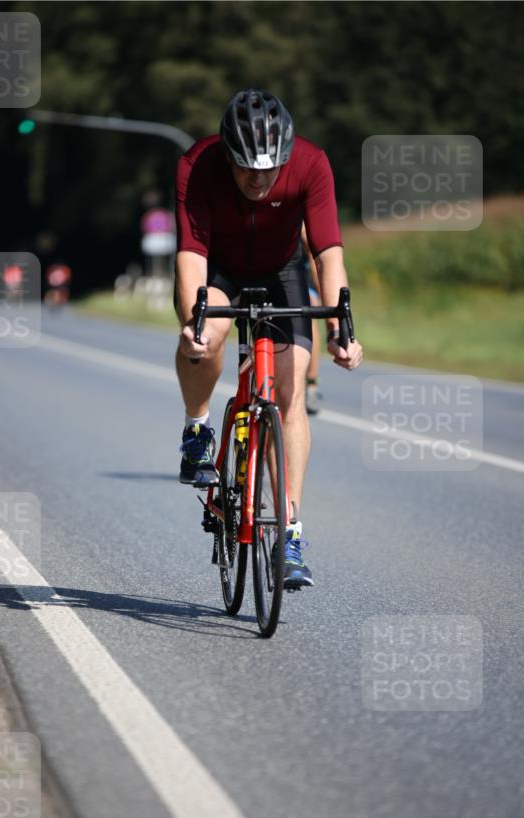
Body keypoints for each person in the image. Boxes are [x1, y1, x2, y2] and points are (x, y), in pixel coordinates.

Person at [174, 89, 363, 589]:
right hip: (220, 267)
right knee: (206, 336)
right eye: (246, 169)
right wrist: (193, 323)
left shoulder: (311, 163)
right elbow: (190, 254)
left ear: (286, 154)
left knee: (289, 392)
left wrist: (340, 328)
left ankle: (292, 535)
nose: (258, 180)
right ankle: (197, 430)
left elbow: (327, 252)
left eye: (269, 169)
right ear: (229, 155)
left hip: (283, 271)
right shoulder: (197, 164)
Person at [300, 222, 323, 416]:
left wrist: (323, 295)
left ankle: (311, 383)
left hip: (299, 275)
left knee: (311, 309)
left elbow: (315, 255)